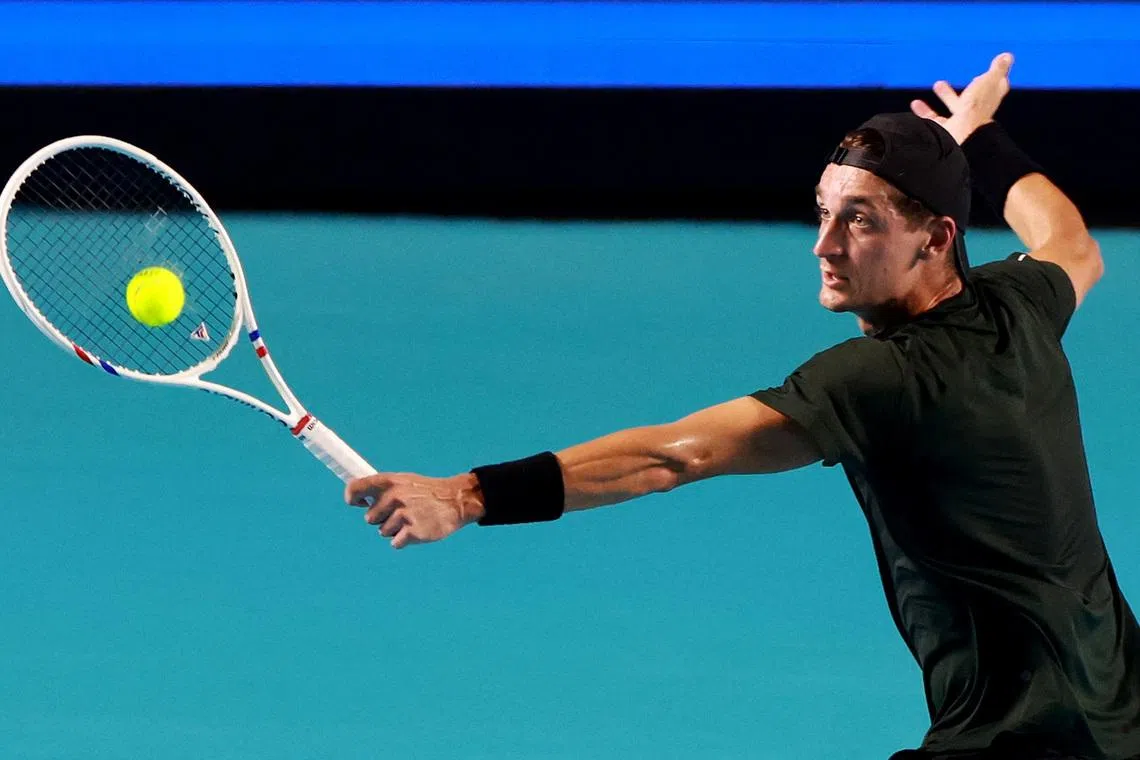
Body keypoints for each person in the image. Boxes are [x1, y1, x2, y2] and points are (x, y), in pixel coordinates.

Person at [344, 53, 1140, 759]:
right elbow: (1071, 241)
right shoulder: (1020, 303)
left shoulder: (881, 379)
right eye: (823, 211)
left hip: (1021, 741)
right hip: (1122, 714)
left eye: (858, 221)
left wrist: (468, 494)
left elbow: (674, 455)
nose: (823, 245)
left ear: (935, 237)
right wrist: (978, 135)